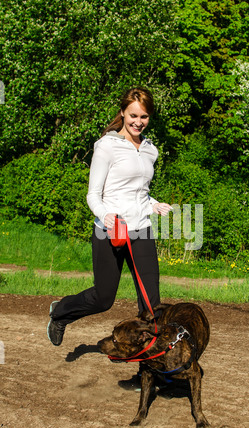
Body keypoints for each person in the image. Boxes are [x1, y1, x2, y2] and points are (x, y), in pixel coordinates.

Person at [47, 86, 172, 346]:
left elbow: (139, 192)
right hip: (110, 231)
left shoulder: (150, 150)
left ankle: (146, 370)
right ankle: (60, 312)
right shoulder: (107, 146)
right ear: (124, 113)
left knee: (151, 304)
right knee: (104, 298)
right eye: (133, 115)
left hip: (141, 230)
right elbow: (93, 194)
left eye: (144, 117)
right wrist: (106, 217)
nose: (139, 122)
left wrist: (154, 204)